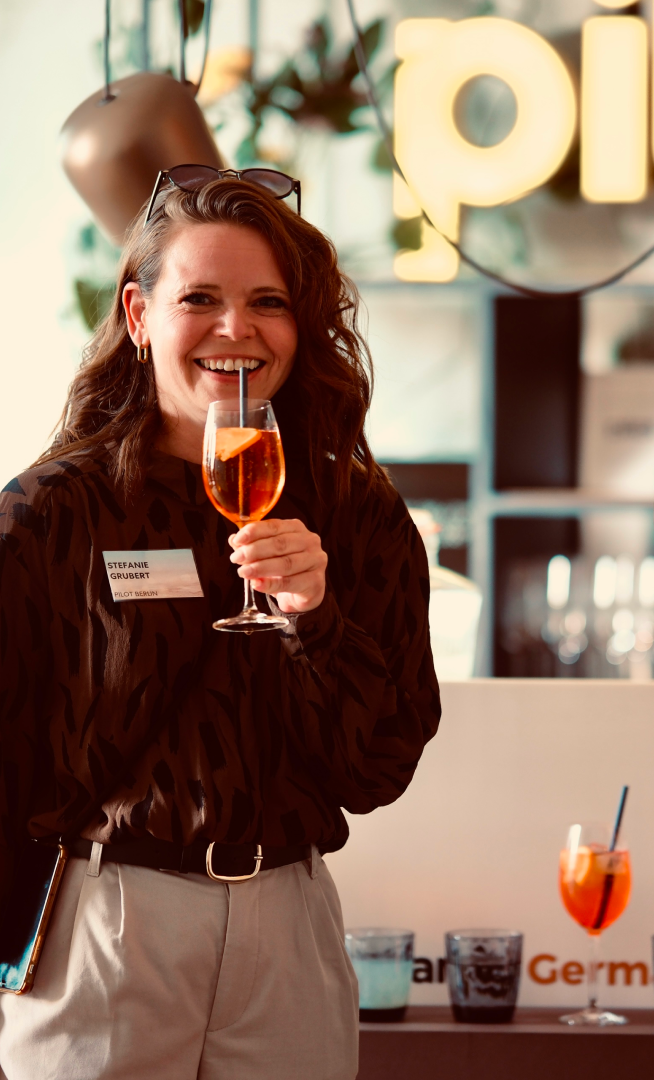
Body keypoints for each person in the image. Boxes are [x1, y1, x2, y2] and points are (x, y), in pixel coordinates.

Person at [0, 175, 440, 1079]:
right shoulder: (50, 515)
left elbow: (378, 768)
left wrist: (316, 619)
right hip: (106, 916)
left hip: (290, 921)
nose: (235, 330)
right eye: (199, 297)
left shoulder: (360, 519)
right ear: (139, 314)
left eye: (267, 303)